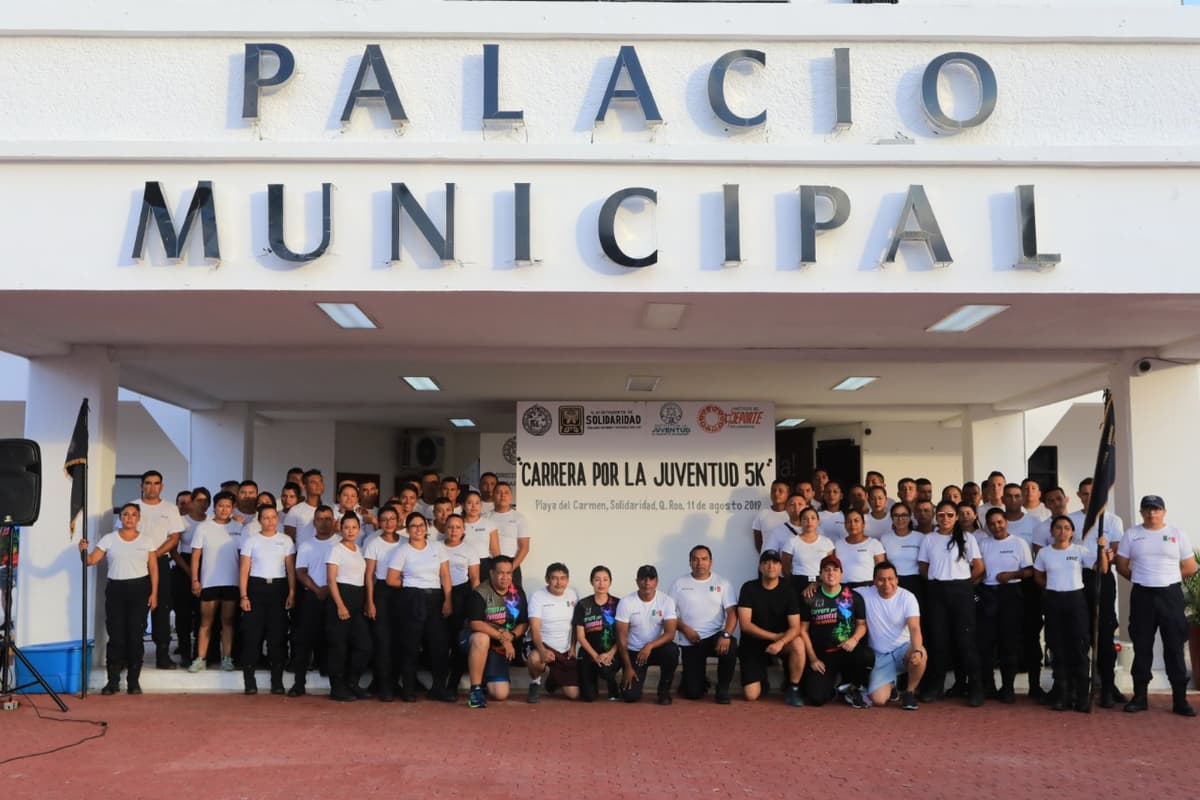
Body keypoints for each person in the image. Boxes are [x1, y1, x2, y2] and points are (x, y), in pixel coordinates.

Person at [1115, 495, 1198, 716]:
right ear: (1141, 512)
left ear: (1164, 511)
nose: (1152, 513)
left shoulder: (1176, 534)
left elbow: (1190, 566)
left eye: (1156, 509)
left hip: (1170, 594)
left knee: (1174, 646)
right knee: (1142, 646)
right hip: (1142, 594)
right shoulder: (1132, 534)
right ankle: (1140, 696)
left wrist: (1168, 578)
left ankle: (1180, 700)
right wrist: (1142, 578)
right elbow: (1121, 565)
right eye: (1148, 510)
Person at [80, 503, 158, 695]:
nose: (129, 518)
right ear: (120, 518)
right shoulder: (109, 539)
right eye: (125, 514)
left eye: (133, 515)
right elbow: (90, 561)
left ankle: (133, 681)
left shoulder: (147, 541)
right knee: (116, 636)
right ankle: (112, 681)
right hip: (116, 589)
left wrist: (154, 593)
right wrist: (82, 550)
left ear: (138, 518)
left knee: (135, 636)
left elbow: (154, 569)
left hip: (140, 588)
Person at [1034, 514, 1107, 712]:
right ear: (1052, 531)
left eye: (1067, 528)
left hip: (1076, 601)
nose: (1062, 531)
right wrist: (1050, 588)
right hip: (1054, 601)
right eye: (1058, 527)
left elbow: (1102, 569)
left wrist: (1101, 549)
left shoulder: (1080, 551)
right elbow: (1038, 575)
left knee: (1079, 648)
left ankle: (1082, 696)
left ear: (1072, 532)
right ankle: (1062, 695)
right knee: (1057, 648)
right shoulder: (1045, 553)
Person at [917, 500, 985, 706]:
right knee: (939, 640)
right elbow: (923, 565)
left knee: (965, 640)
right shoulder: (929, 539)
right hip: (937, 591)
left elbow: (979, 567)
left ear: (956, 517)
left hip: (961, 591)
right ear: (936, 517)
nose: (945, 519)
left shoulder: (967, 538)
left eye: (949, 515)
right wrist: (937, 580)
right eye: (941, 515)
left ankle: (975, 687)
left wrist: (963, 583)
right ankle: (936, 687)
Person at [387, 512, 454, 702]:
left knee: (438, 645)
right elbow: (391, 579)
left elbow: (445, 576)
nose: (418, 529)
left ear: (426, 528)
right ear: (407, 530)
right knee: (410, 645)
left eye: (421, 525)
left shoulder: (437, 548)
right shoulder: (402, 550)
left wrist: (448, 600)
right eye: (414, 526)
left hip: (435, 597)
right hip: (411, 598)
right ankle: (408, 689)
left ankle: (438, 687)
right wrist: (410, 585)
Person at [1070, 478, 1126, 707]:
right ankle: (1079, 687)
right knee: (1080, 633)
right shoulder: (1072, 520)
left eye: (1093, 493)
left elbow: (1116, 550)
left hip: (1102, 577)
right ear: (1079, 495)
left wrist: (1106, 552)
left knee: (1104, 634)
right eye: (1084, 493)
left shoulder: (1112, 520)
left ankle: (1107, 686)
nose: (1089, 497)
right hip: (1077, 578)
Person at [798, 555, 871, 708]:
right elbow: (802, 630)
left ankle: (853, 687)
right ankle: (834, 687)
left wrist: (854, 639)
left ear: (841, 574)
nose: (831, 573)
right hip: (822, 656)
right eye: (826, 570)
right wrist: (812, 659)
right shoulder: (810, 597)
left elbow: (862, 625)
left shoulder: (853, 596)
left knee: (866, 655)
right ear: (820, 575)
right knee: (816, 699)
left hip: (847, 651)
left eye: (835, 570)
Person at [237, 506, 296, 695]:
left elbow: (290, 569)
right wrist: (243, 595)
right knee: (252, 636)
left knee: (277, 637)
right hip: (256, 588)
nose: (270, 521)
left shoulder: (286, 540)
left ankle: (277, 681)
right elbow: (244, 569)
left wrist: (292, 592)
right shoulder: (251, 540)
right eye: (266, 518)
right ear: (259, 520)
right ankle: (249, 680)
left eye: (273, 517)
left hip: (279, 589)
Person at [976, 508, 1032, 703]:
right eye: (991, 523)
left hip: (1011, 595)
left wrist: (1011, 575)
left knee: (1009, 643)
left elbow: (1028, 571)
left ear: (1006, 522)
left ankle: (1008, 687)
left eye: (999, 522)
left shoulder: (1019, 543)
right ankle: (988, 686)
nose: (996, 527)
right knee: (985, 644)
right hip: (988, 594)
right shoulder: (983, 543)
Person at [669, 545, 738, 703]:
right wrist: (685, 629)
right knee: (693, 693)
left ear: (711, 562)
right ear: (690, 562)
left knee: (731, 645)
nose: (700, 563)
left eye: (704, 559)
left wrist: (726, 634)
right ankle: (692, 678)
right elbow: (670, 615)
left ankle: (723, 689)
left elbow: (732, 613)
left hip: (715, 636)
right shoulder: (678, 584)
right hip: (690, 638)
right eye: (695, 559)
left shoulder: (723, 583)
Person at [736, 549, 805, 706]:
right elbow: (745, 625)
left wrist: (780, 643)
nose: (770, 566)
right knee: (751, 696)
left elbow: (795, 627)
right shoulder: (748, 588)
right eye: (766, 562)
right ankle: (762, 681)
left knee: (798, 643)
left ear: (780, 567)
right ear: (760, 567)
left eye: (775, 562)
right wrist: (774, 638)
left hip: (781, 642)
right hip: (753, 643)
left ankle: (793, 688)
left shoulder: (789, 590)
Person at [462, 556, 529, 708]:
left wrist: (511, 636)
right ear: (492, 573)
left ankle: (486, 677)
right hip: (474, 639)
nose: (505, 577)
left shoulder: (517, 592)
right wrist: (503, 638)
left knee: (500, 694)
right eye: (500, 573)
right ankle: (475, 690)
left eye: (508, 573)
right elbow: (476, 624)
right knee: (482, 639)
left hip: (500, 644)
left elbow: (524, 623)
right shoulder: (480, 592)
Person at [857, 561, 925, 710]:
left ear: (897, 579)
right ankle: (891, 686)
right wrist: (816, 585)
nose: (886, 583)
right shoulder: (864, 593)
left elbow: (914, 628)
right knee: (879, 700)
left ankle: (909, 692)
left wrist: (917, 650)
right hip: (880, 656)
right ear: (874, 581)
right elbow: (838, 590)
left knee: (921, 652)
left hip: (903, 650)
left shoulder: (907, 597)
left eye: (890, 579)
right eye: (881, 579)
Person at [134, 470, 184, 669]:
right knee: (137, 609)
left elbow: (174, 538)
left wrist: (153, 555)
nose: (152, 487)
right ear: (141, 485)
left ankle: (163, 656)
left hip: (160, 562)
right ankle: (132, 657)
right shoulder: (133, 506)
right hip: (136, 563)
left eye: (156, 483)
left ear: (162, 486)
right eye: (147, 483)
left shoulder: (170, 509)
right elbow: (123, 532)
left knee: (162, 609)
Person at [188, 491, 241, 672]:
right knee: (205, 623)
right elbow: (196, 555)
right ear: (214, 507)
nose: (224, 509)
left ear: (232, 508)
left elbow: (244, 557)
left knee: (228, 622)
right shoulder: (203, 527)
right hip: (209, 582)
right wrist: (195, 580)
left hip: (232, 583)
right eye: (220, 506)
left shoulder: (239, 527)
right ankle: (200, 658)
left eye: (228, 506)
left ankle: (227, 658)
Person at [288, 505, 338, 697]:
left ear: (333, 521)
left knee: (335, 641)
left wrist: (328, 588)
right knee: (304, 640)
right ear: (314, 522)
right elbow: (300, 572)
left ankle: (336, 683)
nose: (324, 523)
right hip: (312, 595)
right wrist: (318, 589)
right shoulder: (306, 545)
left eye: (328, 519)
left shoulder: (340, 543)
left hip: (335, 597)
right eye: (320, 519)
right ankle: (298, 684)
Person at [326, 512, 373, 701]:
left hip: (357, 598)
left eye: (354, 527)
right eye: (346, 527)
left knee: (365, 645)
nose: (350, 531)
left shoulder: (360, 550)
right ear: (340, 528)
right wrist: (340, 605)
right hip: (340, 598)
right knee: (338, 646)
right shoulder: (335, 549)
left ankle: (352, 682)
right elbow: (331, 580)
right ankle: (337, 687)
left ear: (359, 529)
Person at [616, 564, 679, 705]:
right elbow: (621, 639)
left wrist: (650, 646)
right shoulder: (626, 602)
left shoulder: (666, 601)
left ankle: (664, 690)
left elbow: (670, 634)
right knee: (630, 697)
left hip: (655, 649)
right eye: (643, 579)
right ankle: (628, 681)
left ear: (657, 581)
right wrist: (627, 667)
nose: (647, 583)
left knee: (672, 650)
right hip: (635, 653)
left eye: (651, 579)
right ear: (637, 581)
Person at [364, 505, 403, 701]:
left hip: (402, 592)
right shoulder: (373, 543)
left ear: (398, 521)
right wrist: (370, 601)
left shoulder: (405, 541)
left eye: (392, 519)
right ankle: (383, 684)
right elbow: (369, 574)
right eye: (384, 519)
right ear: (379, 522)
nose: (388, 523)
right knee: (382, 640)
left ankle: (395, 682)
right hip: (381, 593)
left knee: (398, 640)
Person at [526, 562, 580, 702]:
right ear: (547, 579)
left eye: (562, 578)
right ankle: (535, 682)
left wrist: (573, 646)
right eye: (554, 578)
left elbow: (575, 624)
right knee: (535, 659)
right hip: (543, 645)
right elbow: (534, 628)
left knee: (573, 695)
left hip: (564, 650)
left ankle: (553, 679)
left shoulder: (573, 594)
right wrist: (542, 650)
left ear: (567, 580)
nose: (558, 582)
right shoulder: (538, 596)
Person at [441, 513, 480, 696]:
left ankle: (452, 684)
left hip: (461, 595)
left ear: (463, 530)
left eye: (457, 527)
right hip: (437, 594)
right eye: (450, 527)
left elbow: (475, 579)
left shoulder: (469, 550)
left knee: (457, 640)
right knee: (440, 640)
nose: (453, 530)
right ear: (444, 528)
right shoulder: (435, 547)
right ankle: (438, 682)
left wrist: (475, 605)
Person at [574, 565, 621, 702]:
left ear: (610, 582)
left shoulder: (618, 604)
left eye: (605, 580)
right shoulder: (583, 605)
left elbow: (624, 634)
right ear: (591, 582)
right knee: (588, 697)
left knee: (606, 671)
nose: (601, 584)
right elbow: (580, 637)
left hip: (611, 652)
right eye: (597, 580)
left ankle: (612, 683)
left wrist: (610, 653)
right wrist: (595, 656)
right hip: (589, 653)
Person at [781, 506, 835, 597]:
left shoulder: (827, 542)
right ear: (800, 522)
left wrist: (819, 582)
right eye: (805, 519)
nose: (809, 521)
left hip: (821, 583)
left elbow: (830, 566)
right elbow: (785, 568)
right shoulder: (792, 542)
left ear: (818, 522)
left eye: (813, 518)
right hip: (798, 583)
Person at [880, 502, 924, 605]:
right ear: (891, 518)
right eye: (896, 515)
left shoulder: (920, 537)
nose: (900, 519)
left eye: (904, 515)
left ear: (910, 517)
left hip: (916, 582)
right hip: (893, 582)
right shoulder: (885, 538)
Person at [487, 482, 530, 587]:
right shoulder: (485, 517)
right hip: (489, 564)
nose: (502, 495)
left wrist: (510, 569)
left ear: (511, 496)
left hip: (511, 564)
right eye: (499, 492)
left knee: (513, 602)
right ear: (493, 496)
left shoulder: (519, 518)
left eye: (506, 492)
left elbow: (524, 547)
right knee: (490, 600)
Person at [834, 510, 885, 588]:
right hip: (843, 588)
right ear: (844, 525)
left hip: (867, 587)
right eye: (849, 521)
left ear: (863, 524)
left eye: (856, 521)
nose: (852, 524)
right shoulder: (838, 544)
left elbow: (881, 570)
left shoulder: (874, 544)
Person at [284, 469, 325, 545]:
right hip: (304, 555)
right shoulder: (295, 511)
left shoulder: (330, 508)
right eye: (313, 482)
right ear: (304, 486)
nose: (318, 485)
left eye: (320, 481)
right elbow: (288, 540)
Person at [751, 479, 790, 552]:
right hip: (768, 560)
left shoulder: (793, 514)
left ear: (788, 494)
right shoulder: (762, 514)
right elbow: (758, 543)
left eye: (780, 491)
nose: (776, 494)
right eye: (773, 491)